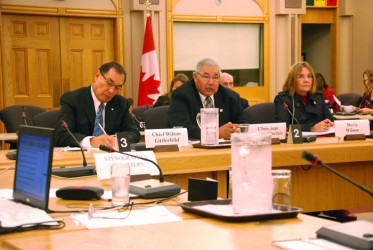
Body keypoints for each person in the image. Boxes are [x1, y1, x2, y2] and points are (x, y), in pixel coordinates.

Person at [55, 61, 140, 148]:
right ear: (97, 76)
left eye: (117, 87)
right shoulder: (72, 99)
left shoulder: (121, 103)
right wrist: (91, 141)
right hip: (81, 158)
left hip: (110, 157)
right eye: (109, 83)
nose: (111, 91)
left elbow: (134, 133)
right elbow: (61, 135)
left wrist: (114, 139)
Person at [168, 58, 248, 140]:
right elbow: (181, 129)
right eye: (206, 77)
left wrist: (236, 130)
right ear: (195, 77)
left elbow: (243, 124)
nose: (211, 82)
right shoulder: (181, 95)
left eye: (216, 77)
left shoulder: (231, 97)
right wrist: (216, 133)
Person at [274, 61, 334, 132]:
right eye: (301, 77)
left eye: (309, 76)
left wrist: (330, 123)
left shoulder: (318, 97)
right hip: (296, 142)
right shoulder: (283, 99)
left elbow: (330, 119)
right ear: (292, 80)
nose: (306, 80)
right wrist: (311, 128)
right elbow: (283, 128)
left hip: (321, 140)